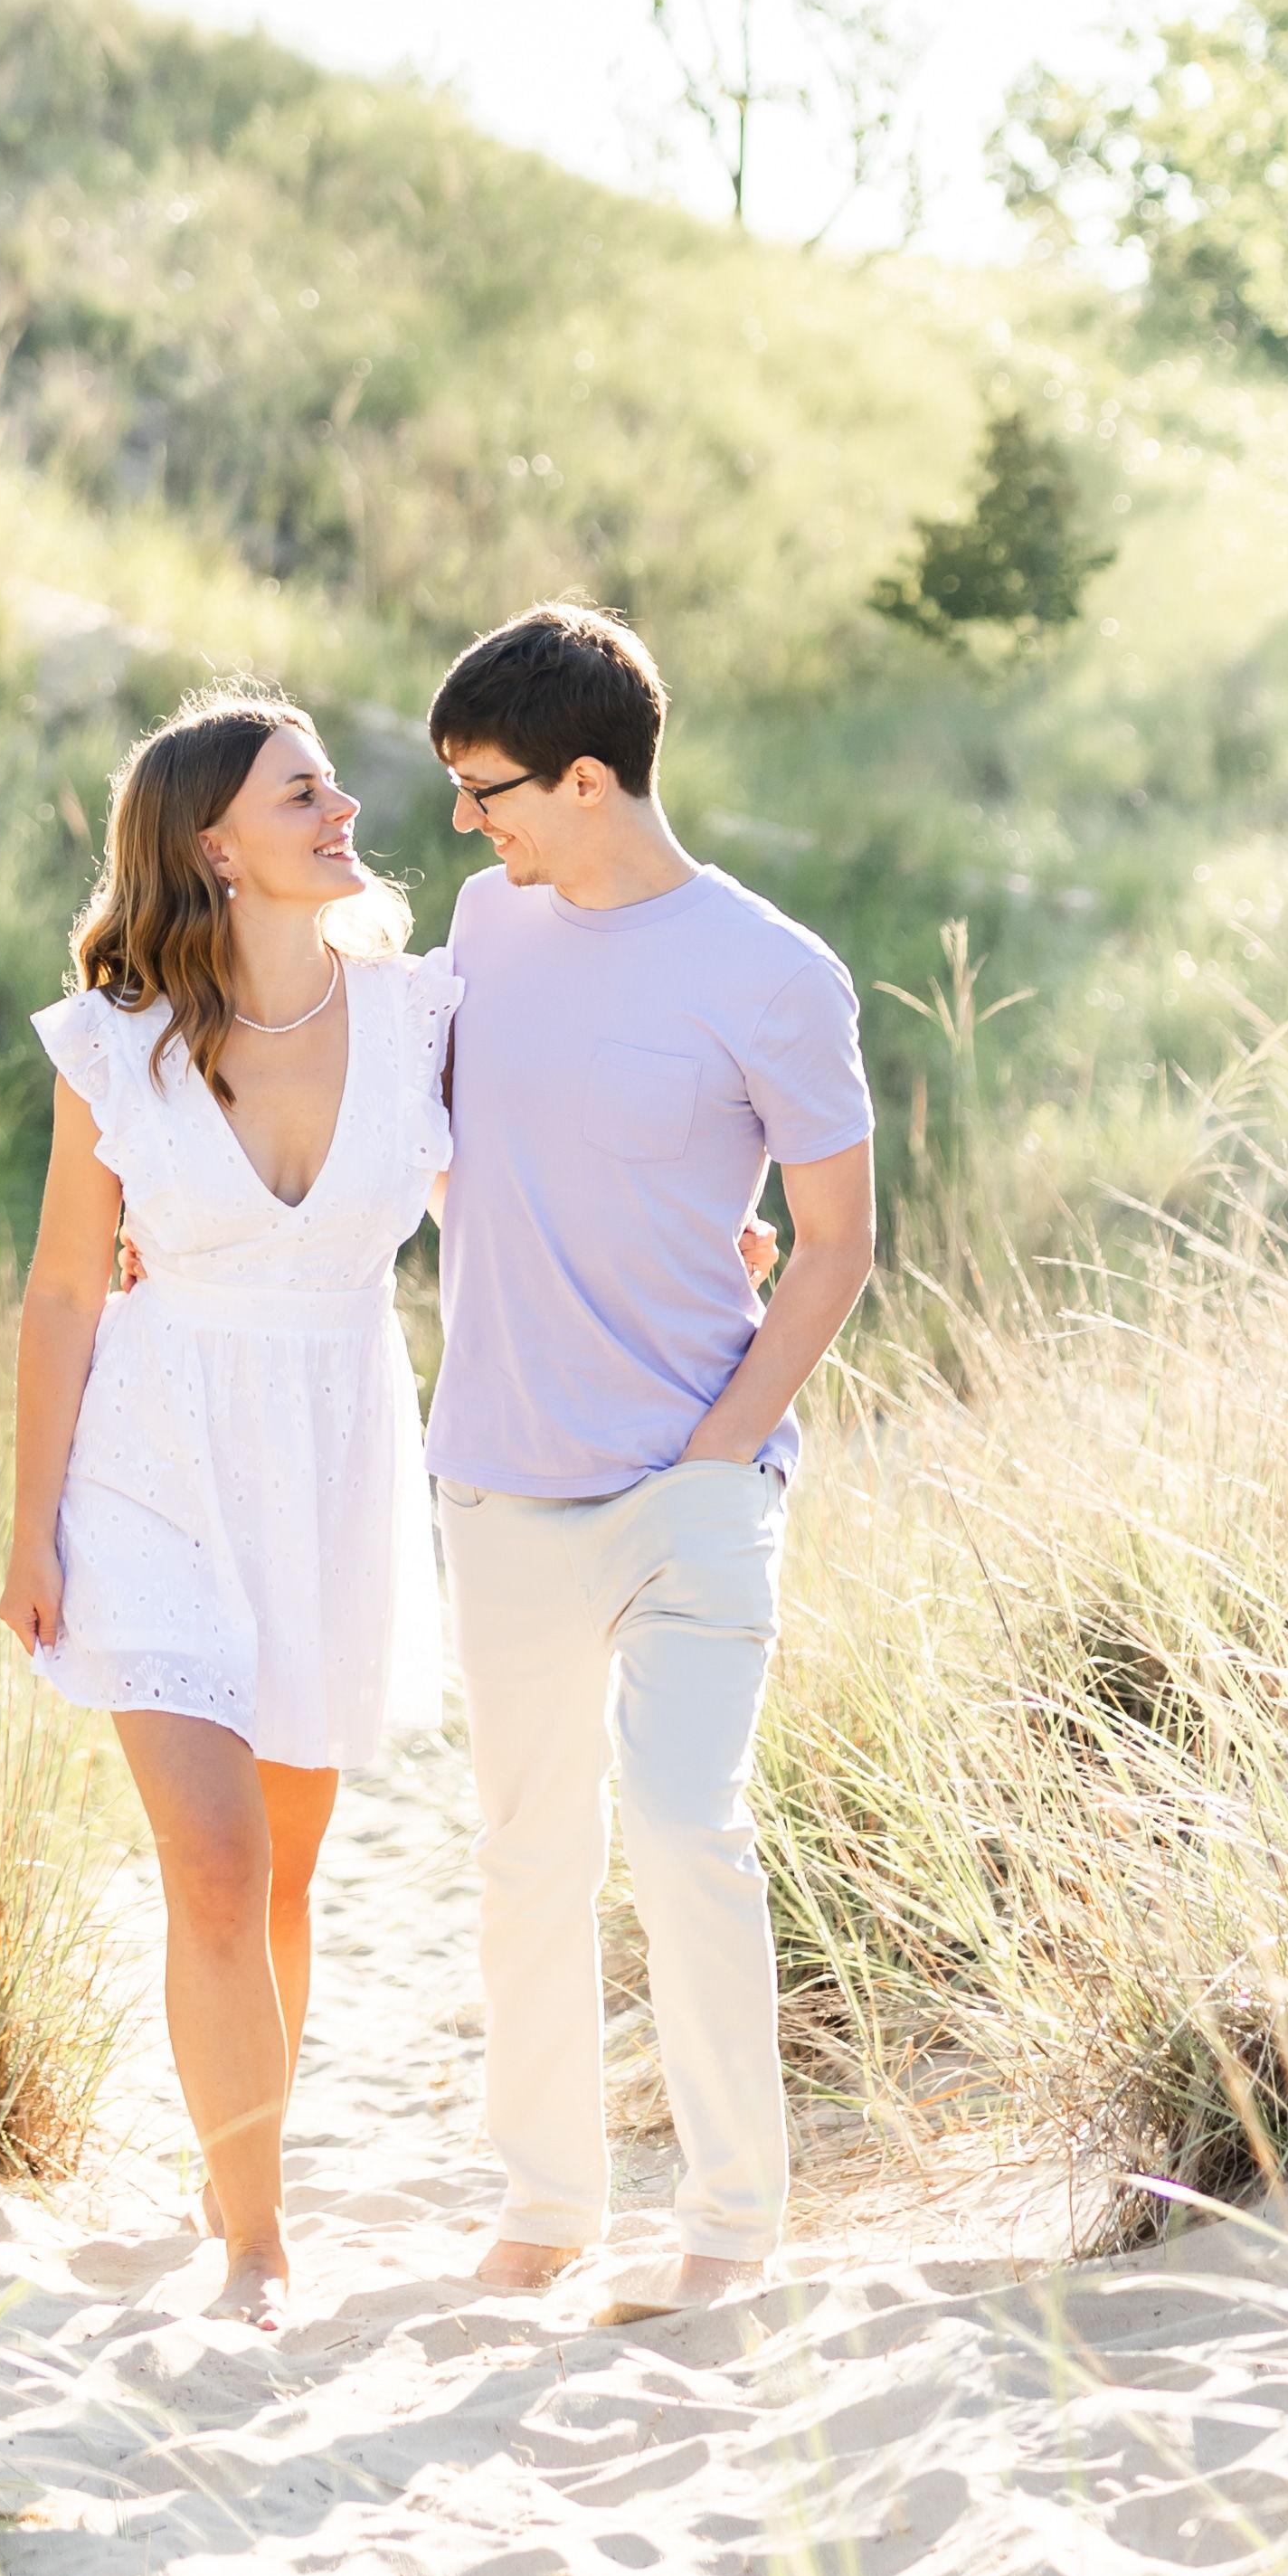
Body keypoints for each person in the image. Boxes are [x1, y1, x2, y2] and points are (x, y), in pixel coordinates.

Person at [421, 597, 879, 2316]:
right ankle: (546, 2212)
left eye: (494, 788)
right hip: (497, 1472)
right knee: (528, 1847)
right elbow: (418, 1129)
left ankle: (731, 2229)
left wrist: (721, 1452)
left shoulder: (775, 972)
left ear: (592, 778)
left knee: (687, 1829)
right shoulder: (481, 921)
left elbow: (832, 1240)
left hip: (692, 1481)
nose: (472, 823)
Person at [0, 688, 453, 2329]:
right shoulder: (111, 1046)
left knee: (286, 1870)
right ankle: (255, 2239)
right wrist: (32, 1524)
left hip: (333, 1462)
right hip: (152, 1465)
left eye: (332, 789)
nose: (343, 813)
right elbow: (62, 1293)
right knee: (211, 1855)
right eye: (302, 794)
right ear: (213, 846)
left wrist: (713, 1261)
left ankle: (232, 2156)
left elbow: (520, 1211)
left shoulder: (418, 1016)